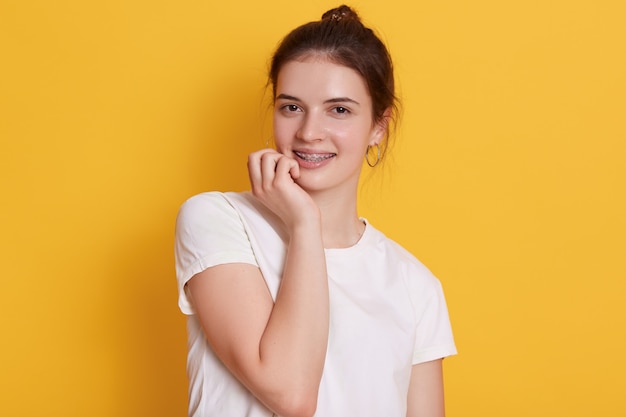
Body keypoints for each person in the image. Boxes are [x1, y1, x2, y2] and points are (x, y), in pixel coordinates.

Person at [175, 5, 456, 417]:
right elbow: (291, 394)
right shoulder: (217, 220)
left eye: (339, 110)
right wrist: (305, 224)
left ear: (380, 125)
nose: (308, 132)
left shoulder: (415, 286)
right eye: (291, 107)